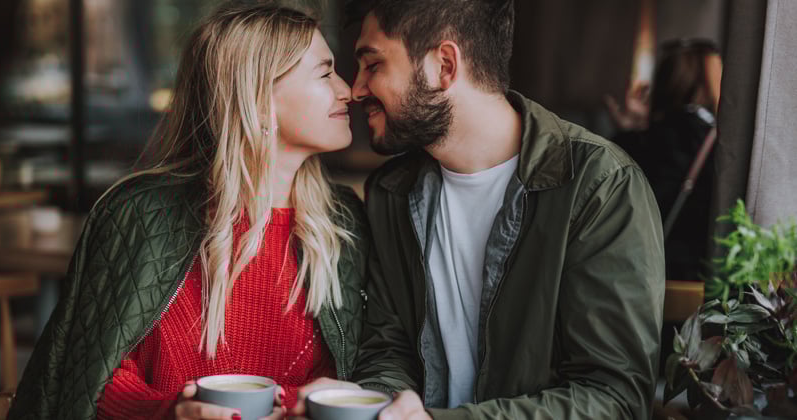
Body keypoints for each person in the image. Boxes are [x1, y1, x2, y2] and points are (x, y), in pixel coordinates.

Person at [290, 0, 666, 419]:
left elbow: (614, 397)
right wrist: (377, 405)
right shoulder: (391, 192)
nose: (357, 89)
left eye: (373, 65)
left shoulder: (599, 186)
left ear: (444, 65)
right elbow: (388, 349)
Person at [7, 3, 371, 420]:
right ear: (258, 97)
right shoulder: (141, 215)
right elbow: (92, 381)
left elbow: (357, 375)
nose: (349, 90)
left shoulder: (343, 222)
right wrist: (172, 412)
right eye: (325, 74)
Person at [612, 39, 722, 281]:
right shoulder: (719, 142)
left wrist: (628, 132)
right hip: (698, 275)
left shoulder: (645, 139)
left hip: (637, 269)